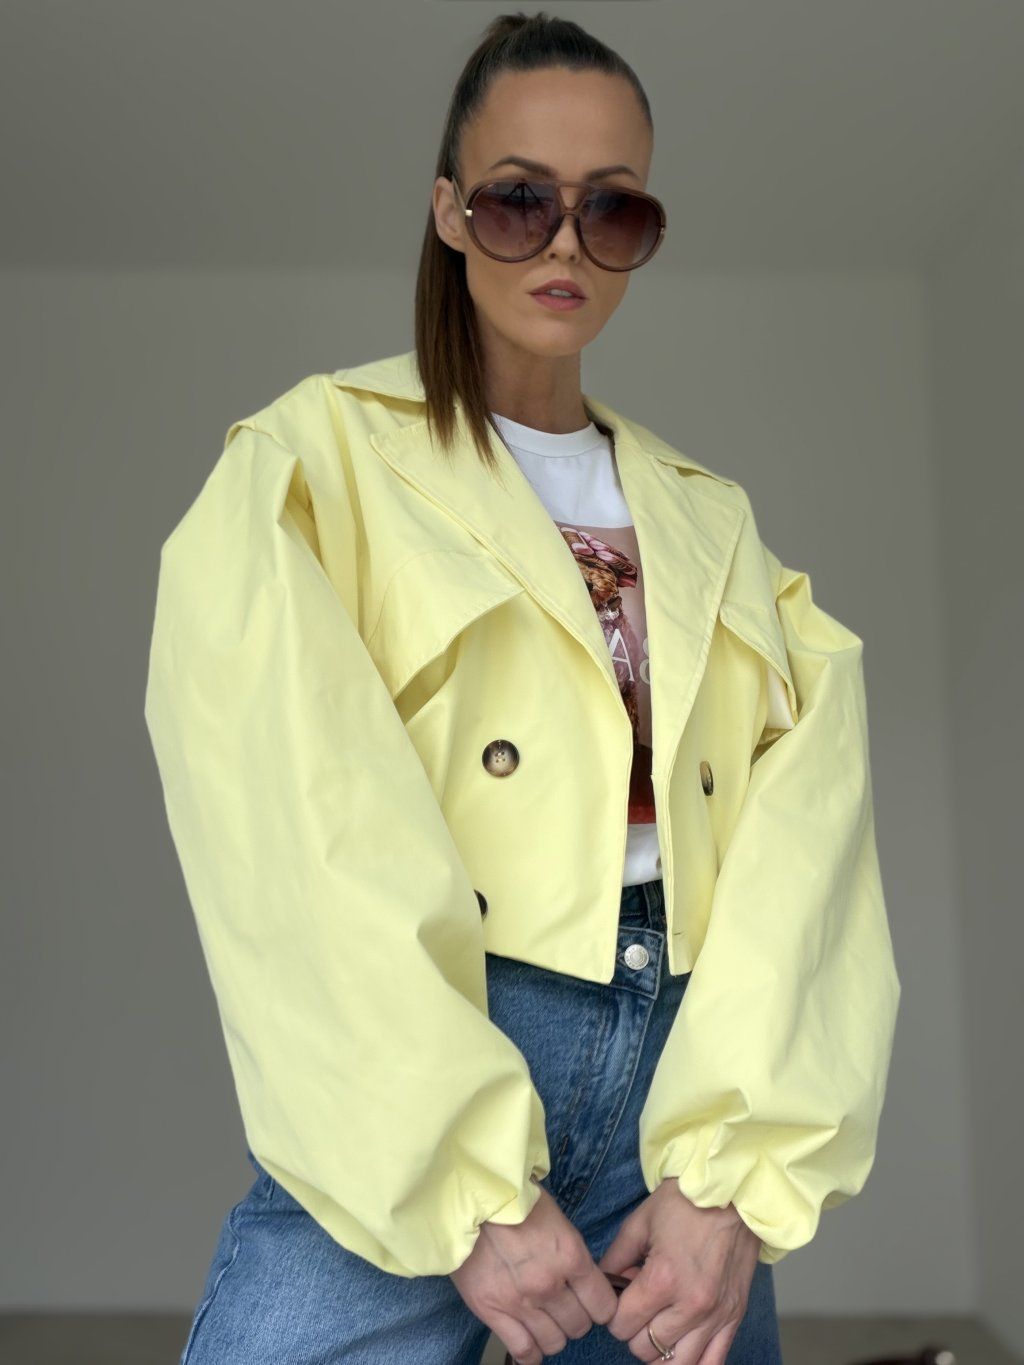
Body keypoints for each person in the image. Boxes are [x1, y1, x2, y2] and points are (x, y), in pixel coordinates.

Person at [143, 12, 900, 1365]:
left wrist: (733, 1178)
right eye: (517, 200)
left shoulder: (711, 518)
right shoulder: (316, 462)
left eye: (613, 209)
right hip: (428, 1049)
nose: (564, 244)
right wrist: (448, 1159)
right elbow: (296, 825)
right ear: (448, 209)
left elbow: (808, 841)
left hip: (689, 1080)